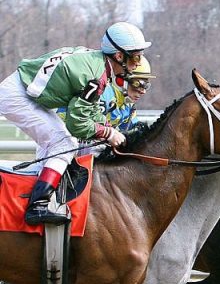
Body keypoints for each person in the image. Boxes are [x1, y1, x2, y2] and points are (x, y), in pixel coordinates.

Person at [0, 21, 148, 225]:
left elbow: (89, 109)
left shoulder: (95, 62)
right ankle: (37, 206)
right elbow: (76, 124)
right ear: (119, 56)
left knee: (60, 142)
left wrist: (106, 126)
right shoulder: (97, 77)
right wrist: (108, 134)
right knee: (65, 143)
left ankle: (47, 194)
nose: (138, 63)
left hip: (25, 90)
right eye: (136, 56)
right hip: (19, 96)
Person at [58, 56, 155, 132]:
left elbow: (134, 132)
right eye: (139, 84)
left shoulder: (128, 108)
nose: (143, 91)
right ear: (121, 81)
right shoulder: (102, 94)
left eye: (146, 86)